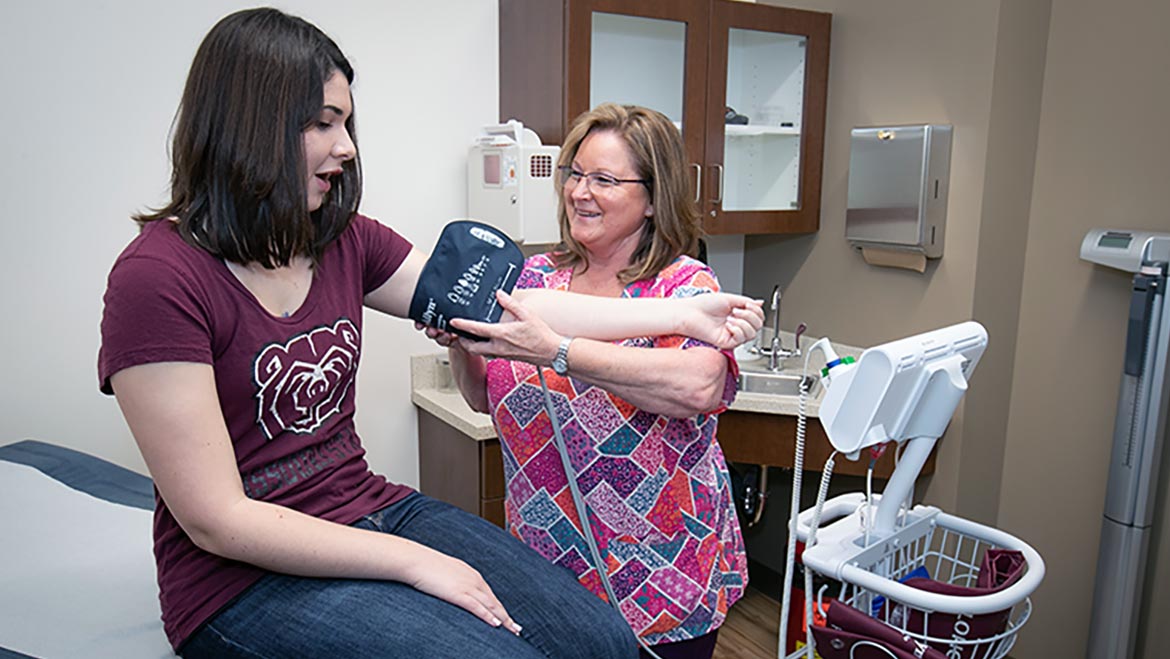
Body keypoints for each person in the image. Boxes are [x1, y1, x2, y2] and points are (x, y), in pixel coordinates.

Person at [97, 9, 763, 658]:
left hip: (364, 506)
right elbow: (215, 519)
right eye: (324, 122)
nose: (347, 146)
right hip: (236, 582)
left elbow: (509, 307)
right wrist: (415, 562)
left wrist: (681, 317)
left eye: (347, 122)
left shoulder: (342, 240)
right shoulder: (157, 278)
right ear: (252, 125)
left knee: (602, 639)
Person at [439, 104, 751, 659]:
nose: (580, 192)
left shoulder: (683, 287)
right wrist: (460, 345)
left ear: (653, 197)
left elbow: (697, 389)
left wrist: (558, 352)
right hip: (545, 566)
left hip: (659, 574)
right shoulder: (536, 277)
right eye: (575, 174)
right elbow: (487, 397)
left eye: (604, 180)